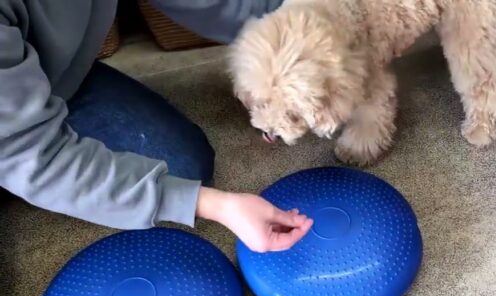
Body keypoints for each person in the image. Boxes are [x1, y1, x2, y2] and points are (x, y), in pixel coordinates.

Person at [0, 0, 313, 254]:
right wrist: (217, 206)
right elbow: (37, 158)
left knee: (181, 168)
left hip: (53, 77)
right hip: (16, 124)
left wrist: (295, 25)